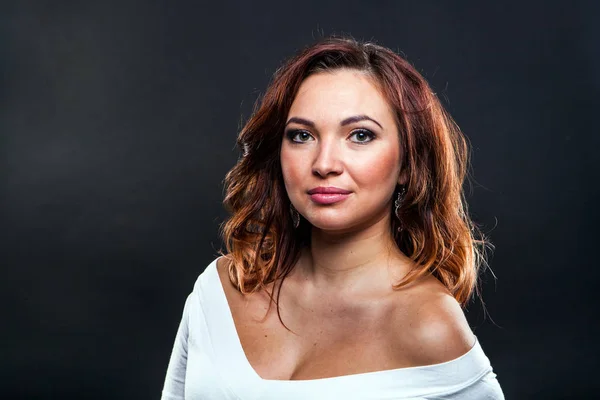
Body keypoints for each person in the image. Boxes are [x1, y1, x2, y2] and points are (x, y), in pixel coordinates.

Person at [161, 35, 504, 399]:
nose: (324, 164)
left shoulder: (430, 326)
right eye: (302, 136)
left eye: (360, 135)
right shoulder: (220, 291)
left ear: (408, 162)